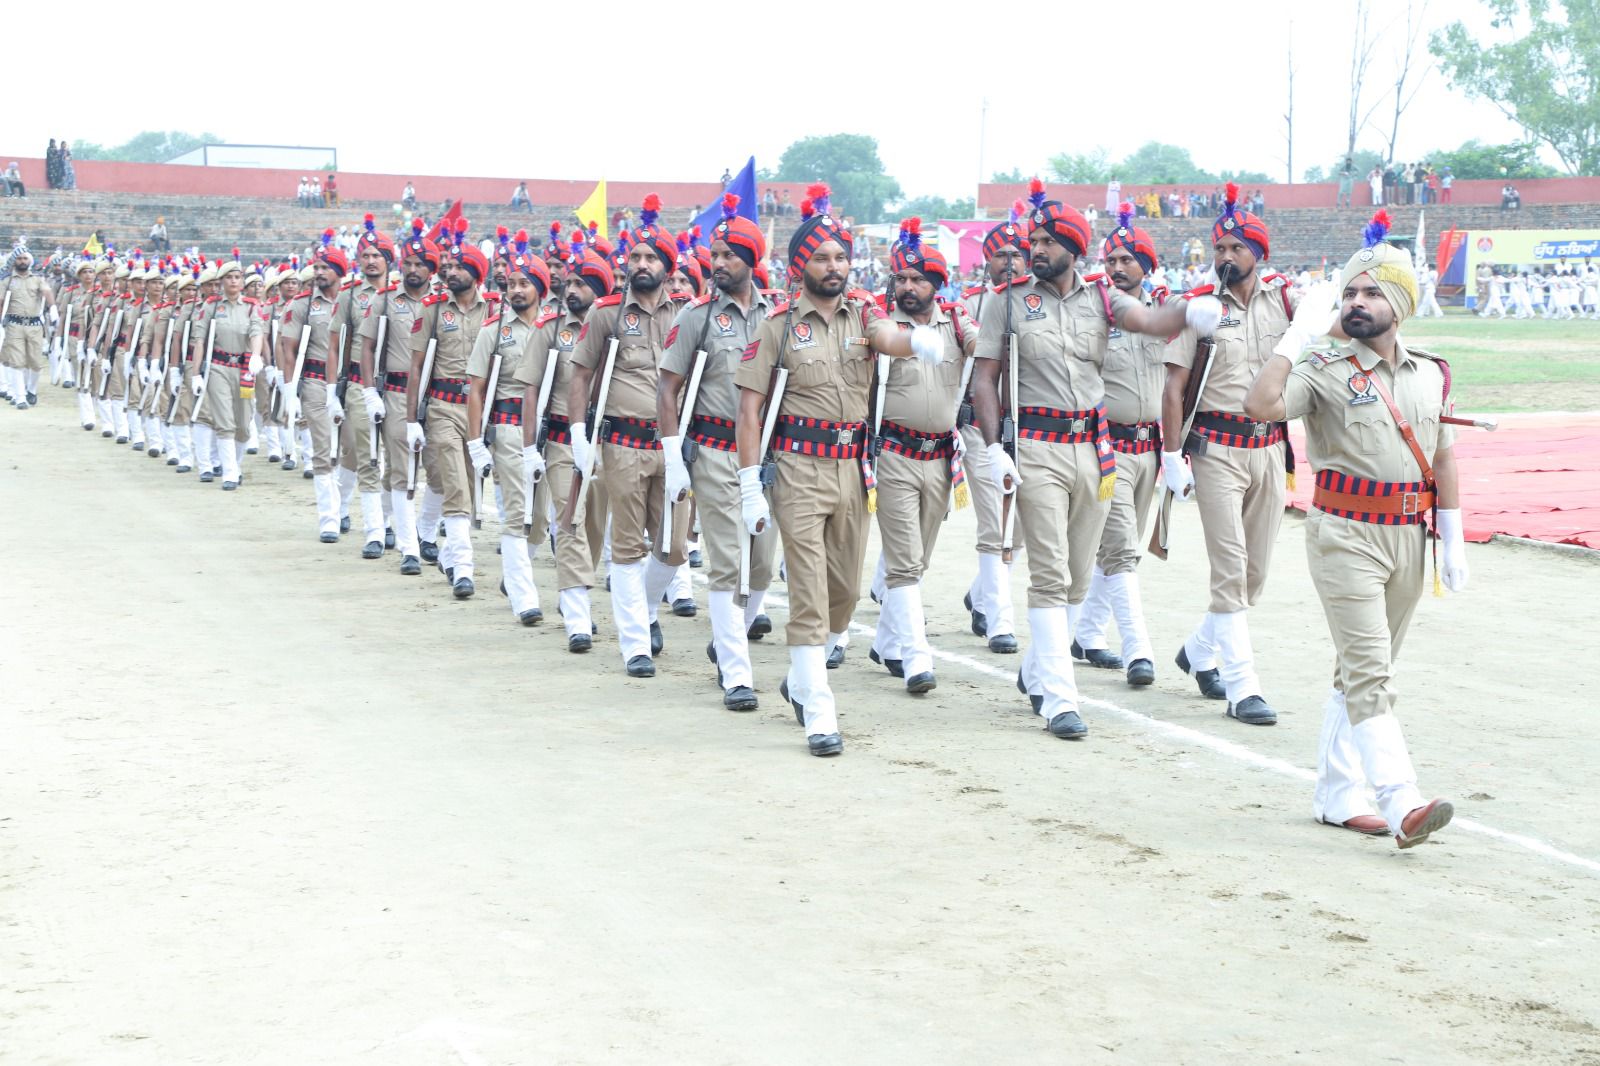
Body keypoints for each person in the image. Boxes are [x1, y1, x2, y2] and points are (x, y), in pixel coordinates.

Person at [1244, 213, 1463, 850]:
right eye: (1349, 293)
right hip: (1344, 533)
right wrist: (1295, 339)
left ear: (1399, 302)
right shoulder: (1322, 366)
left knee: (1362, 668)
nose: (1357, 303)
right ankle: (1401, 802)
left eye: (1370, 293)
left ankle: (1338, 796)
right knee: (1371, 672)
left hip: (1407, 536)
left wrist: (1450, 533)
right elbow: (1260, 407)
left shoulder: (1429, 372)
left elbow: (1443, 453)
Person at [971, 183, 1215, 741]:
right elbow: (985, 377)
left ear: (1072, 249)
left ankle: (1035, 671)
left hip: (1092, 448)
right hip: (1034, 445)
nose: (1034, 249)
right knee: (1051, 573)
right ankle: (1059, 698)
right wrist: (992, 450)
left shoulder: (1103, 298)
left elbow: (1151, 322)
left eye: (1047, 241)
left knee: (1080, 577)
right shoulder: (1006, 299)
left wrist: (1187, 312)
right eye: (1031, 239)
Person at [733, 183, 942, 756]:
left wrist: (916, 341)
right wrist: (752, 486)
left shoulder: (863, 318)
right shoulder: (777, 326)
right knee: (807, 588)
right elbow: (750, 412)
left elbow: (887, 338)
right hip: (798, 468)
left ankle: (800, 679)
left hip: (853, 469)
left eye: (842, 257)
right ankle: (819, 709)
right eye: (823, 257)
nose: (835, 266)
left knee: (844, 593)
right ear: (802, 264)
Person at [1161, 183, 1299, 726]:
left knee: (1255, 574)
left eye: (1234, 248)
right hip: (1216, 449)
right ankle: (1243, 687)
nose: (1223, 257)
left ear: (1257, 253)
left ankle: (1197, 651)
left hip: (1268, 449)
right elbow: (1173, 387)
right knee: (1230, 569)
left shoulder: (1286, 302)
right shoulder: (1200, 307)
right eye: (1218, 248)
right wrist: (1173, 456)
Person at [654, 195, 780, 709]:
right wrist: (672, 457)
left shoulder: (777, 314)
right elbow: (667, 389)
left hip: (769, 455)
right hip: (714, 450)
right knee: (729, 559)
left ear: (751, 259)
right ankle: (736, 673)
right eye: (715, 254)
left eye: (729, 254)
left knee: (763, 566)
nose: (719, 263)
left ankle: (726, 640)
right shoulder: (697, 316)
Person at [566, 195, 694, 678]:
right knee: (627, 546)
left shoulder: (687, 314)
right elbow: (579, 376)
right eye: (635, 257)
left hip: (674, 449)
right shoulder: (605, 313)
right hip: (622, 444)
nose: (642, 265)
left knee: (674, 546)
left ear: (667, 265)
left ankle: (646, 609)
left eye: (651, 258)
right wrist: (580, 436)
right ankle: (635, 644)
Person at [864, 219, 976, 696]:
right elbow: (879, 339)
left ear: (937, 284)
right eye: (902, 279)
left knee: (917, 559)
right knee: (906, 561)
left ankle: (887, 642)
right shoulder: (883, 320)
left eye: (919, 280)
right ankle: (916, 657)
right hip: (893, 453)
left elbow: (985, 351)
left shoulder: (955, 321)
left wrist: (975, 329)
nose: (909, 287)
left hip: (940, 457)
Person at [1071, 205, 1167, 685]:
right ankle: (1138, 651)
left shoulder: (1163, 311)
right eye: (1111, 260)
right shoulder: (1091, 310)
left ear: (1146, 266)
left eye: (1128, 260)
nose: (1116, 268)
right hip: (1107, 445)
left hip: (1151, 448)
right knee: (1123, 548)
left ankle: (1086, 634)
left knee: (1113, 551)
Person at [517, 232, 613, 651]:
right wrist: (528, 448)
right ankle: (578, 615)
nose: (570, 290)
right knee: (569, 522)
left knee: (595, 526)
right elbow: (531, 388)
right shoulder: (550, 329)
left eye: (581, 283)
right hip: (560, 441)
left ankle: (571, 589)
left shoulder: (617, 326)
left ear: (601, 289)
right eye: (568, 283)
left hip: (609, 444)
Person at [406, 219, 494, 599]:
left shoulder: (495, 309)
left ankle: (448, 552)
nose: (451, 272)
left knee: (472, 488)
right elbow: (416, 365)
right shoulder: (431, 308)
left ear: (476, 273)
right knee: (455, 485)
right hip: (442, 406)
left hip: (479, 410)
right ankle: (464, 569)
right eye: (449, 267)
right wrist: (412, 419)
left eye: (460, 268)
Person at [467, 233, 550, 624]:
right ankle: (523, 595)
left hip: (551, 431)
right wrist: (475, 442)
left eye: (524, 283)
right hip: (510, 427)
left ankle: (515, 575)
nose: (515, 290)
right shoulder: (493, 330)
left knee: (542, 517)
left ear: (540, 288)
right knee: (517, 513)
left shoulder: (557, 328)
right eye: (512, 283)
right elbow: (477, 388)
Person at [958, 204, 1029, 654]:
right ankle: (999, 619)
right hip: (979, 428)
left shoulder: (1036, 304)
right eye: (999, 254)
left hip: (1028, 430)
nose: (1009, 261)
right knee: (994, 521)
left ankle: (981, 593)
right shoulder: (967, 306)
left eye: (1016, 253)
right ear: (986, 262)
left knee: (1020, 526)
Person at [358, 218, 438, 575]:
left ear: (431, 269)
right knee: (403, 471)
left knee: (435, 471)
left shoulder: (441, 303)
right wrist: (369, 391)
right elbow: (367, 347)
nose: (412, 269)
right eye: (407, 263)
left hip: (434, 396)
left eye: (420, 264)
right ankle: (409, 548)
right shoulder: (385, 299)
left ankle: (425, 531)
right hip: (394, 392)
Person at [277, 235, 352, 536]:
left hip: (352, 384)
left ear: (339, 271)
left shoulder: (354, 301)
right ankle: (329, 519)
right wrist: (289, 391)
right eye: (316, 267)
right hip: (316, 381)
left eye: (325, 267)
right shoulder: (303, 305)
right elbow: (288, 349)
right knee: (323, 451)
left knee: (352, 452)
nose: (319, 272)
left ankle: (342, 506)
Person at [192, 257, 266, 490]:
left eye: (237, 277)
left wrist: (255, 355)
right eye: (229, 278)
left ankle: (235, 463)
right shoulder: (212, 305)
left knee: (244, 424)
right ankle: (229, 473)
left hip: (243, 368)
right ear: (221, 281)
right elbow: (200, 341)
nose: (233, 281)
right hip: (218, 367)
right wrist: (196, 373)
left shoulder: (252, 306)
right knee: (224, 421)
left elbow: (256, 332)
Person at [1, 242, 55, 409]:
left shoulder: (38, 279)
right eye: (19, 258)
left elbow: (47, 292)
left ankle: (31, 390)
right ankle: (20, 397)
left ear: (29, 261)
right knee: (16, 361)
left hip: (34, 325)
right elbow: (1, 301)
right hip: (14, 324)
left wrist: (52, 308)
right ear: (14, 261)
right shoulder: (7, 281)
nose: (22, 261)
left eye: (25, 258)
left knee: (35, 363)